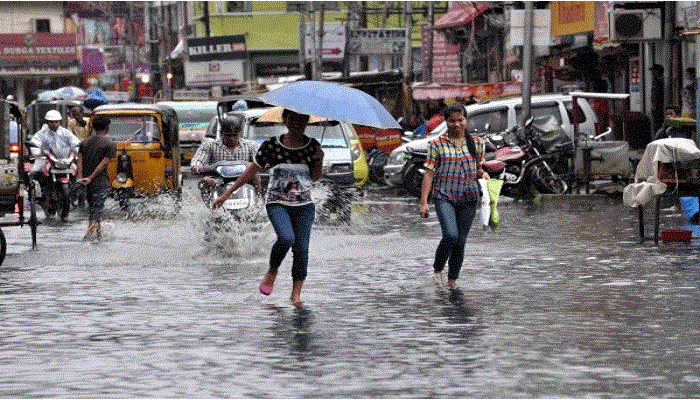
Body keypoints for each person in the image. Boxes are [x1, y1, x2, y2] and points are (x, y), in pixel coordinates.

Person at [213, 109, 323, 306]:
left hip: (304, 206)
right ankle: (273, 270)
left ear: (307, 122)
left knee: (302, 250)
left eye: (301, 119)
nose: (297, 123)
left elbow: (314, 178)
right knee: (286, 238)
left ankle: (296, 295)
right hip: (277, 203)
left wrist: (319, 159)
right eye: (292, 118)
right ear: (285, 120)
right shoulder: (272, 145)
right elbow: (251, 170)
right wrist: (226, 194)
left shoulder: (313, 146)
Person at [419, 104, 488, 289]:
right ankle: (438, 269)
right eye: (452, 121)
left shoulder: (478, 143)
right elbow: (429, 174)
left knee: (461, 241)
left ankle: (452, 281)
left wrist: (484, 174)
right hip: (444, 197)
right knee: (450, 235)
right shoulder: (436, 144)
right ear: (446, 122)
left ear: (466, 120)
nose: (457, 124)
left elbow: (479, 169)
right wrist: (424, 202)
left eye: (460, 120)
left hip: (469, 198)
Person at [190, 115, 260, 193]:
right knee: (205, 181)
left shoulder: (251, 145)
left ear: (240, 134)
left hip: (244, 180)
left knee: (255, 177)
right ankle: (209, 204)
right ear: (221, 133)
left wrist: (262, 165)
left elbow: (259, 159)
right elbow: (199, 158)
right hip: (218, 181)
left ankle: (259, 202)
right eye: (228, 135)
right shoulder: (209, 146)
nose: (231, 138)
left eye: (234, 135)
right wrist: (197, 166)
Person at [28, 110, 81, 212]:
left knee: (78, 171)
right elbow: (35, 142)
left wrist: (78, 151)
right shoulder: (42, 133)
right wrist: (36, 152)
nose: (54, 124)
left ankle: (74, 194)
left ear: (60, 122)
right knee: (34, 172)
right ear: (47, 122)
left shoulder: (66, 133)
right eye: (51, 122)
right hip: (45, 159)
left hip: (64, 160)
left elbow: (74, 142)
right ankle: (37, 195)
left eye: (56, 121)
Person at [77, 115, 116, 241]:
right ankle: (88, 235)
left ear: (93, 127)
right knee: (96, 209)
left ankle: (98, 234)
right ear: (107, 127)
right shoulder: (110, 144)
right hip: (100, 182)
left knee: (93, 208)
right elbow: (103, 164)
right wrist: (91, 177)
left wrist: (81, 178)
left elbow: (79, 161)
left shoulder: (84, 142)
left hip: (86, 183)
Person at [650, 64, 664, 133]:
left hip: (658, 107)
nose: (652, 73)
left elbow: (656, 94)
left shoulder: (657, 81)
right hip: (660, 107)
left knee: (657, 125)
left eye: (653, 71)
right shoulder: (661, 80)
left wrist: (654, 106)